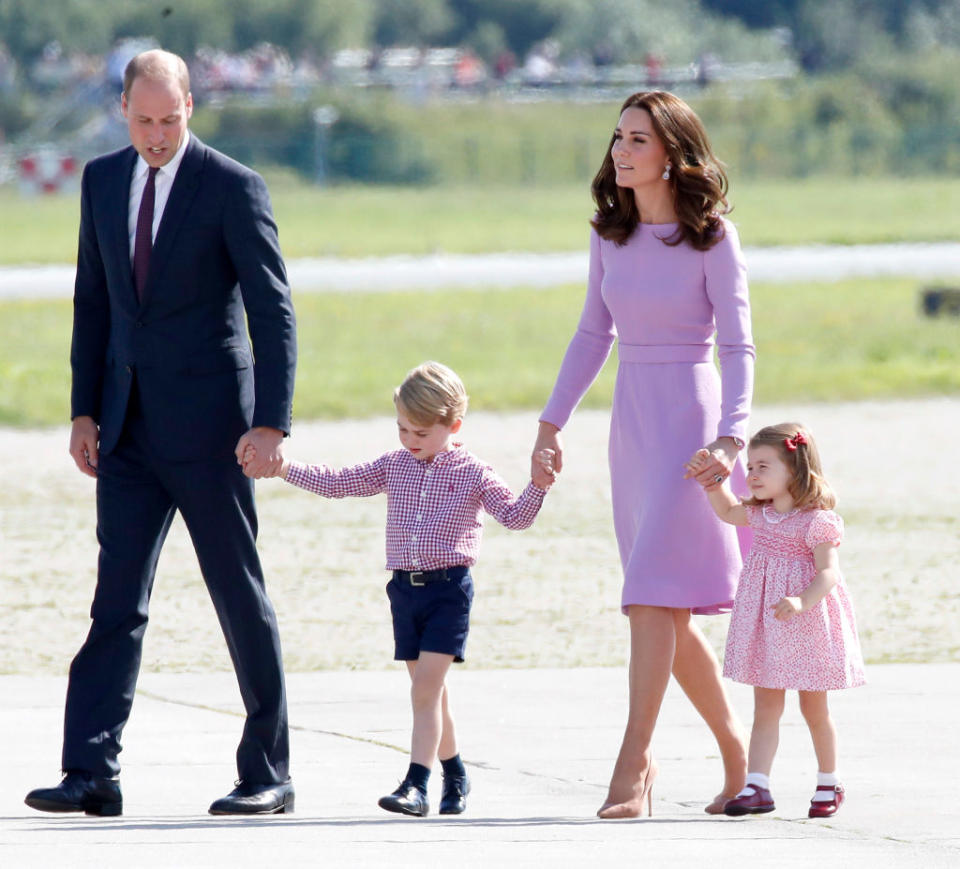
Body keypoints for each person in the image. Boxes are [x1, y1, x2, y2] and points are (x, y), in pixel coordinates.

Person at [24, 49, 297, 817]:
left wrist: (271, 422)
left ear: (190, 110)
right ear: (123, 110)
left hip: (215, 430)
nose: (156, 136)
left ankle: (268, 770)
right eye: (143, 121)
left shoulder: (233, 187)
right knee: (116, 602)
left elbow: (273, 313)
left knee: (237, 595)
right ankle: (90, 771)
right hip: (127, 433)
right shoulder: (103, 180)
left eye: (169, 121)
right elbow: (93, 301)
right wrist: (84, 409)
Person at [532, 90, 754, 818]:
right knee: (665, 605)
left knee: (649, 597)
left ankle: (634, 761)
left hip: (692, 425)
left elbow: (737, 343)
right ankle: (738, 756)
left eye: (637, 140)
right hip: (632, 423)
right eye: (618, 138)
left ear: (672, 153)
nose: (620, 151)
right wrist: (551, 420)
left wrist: (730, 433)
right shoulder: (608, 232)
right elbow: (593, 333)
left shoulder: (713, 237)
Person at [247, 361, 555, 817]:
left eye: (421, 433)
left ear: (454, 425)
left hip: (449, 591)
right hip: (404, 593)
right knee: (431, 693)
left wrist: (539, 486)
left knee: (425, 691)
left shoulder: (474, 473)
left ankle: (416, 784)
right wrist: (284, 469)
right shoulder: (395, 465)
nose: (410, 441)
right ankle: (456, 774)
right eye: (403, 430)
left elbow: (515, 517)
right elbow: (339, 483)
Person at [687, 423, 865, 818]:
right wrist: (714, 480)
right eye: (749, 467)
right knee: (765, 707)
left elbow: (829, 573)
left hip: (806, 624)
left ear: (795, 469)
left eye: (763, 466)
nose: (751, 475)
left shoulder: (817, 521)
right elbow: (728, 511)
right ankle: (758, 786)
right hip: (768, 625)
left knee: (813, 709)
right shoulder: (760, 514)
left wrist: (801, 601)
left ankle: (828, 781)